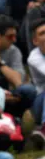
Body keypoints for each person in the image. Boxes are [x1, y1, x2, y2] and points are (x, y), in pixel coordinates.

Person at [29, 18, 45, 146]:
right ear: (35, 41)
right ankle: (44, 129)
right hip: (41, 103)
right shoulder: (34, 57)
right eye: (42, 33)